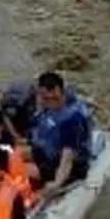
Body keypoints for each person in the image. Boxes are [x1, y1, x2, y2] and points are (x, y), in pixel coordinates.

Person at [29, 70, 92, 199]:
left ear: (59, 91)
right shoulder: (49, 107)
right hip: (48, 153)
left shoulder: (72, 120)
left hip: (66, 166)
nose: (45, 102)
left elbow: (67, 158)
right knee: (14, 156)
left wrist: (56, 183)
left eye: (49, 98)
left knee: (20, 171)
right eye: (44, 97)